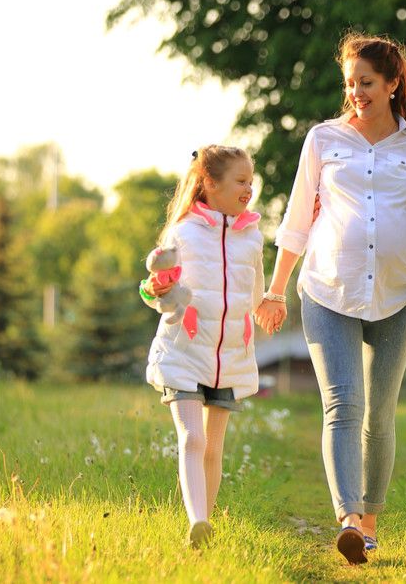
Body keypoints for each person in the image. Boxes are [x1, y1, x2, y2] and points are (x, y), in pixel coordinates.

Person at [255, 33, 406, 565]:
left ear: (392, 84)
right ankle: (349, 522)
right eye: (350, 84)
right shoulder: (323, 139)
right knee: (343, 404)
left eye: (366, 83)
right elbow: (295, 222)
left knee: (378, 413)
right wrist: (274, 290)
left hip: (400, 295)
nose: (356, 93)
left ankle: (372, 520)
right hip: (327, 290)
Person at [141, 144, 265, 548]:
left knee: (214, 446)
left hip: (229, 355)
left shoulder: (252, 236)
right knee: (192, 438)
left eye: (251, 180)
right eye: (240, 181)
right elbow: (158, 291)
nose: (249, 188)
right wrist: (161, 288)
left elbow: (256, 293)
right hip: (185, 350)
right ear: (211, 184)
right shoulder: (183, 233)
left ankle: (204, 527)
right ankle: (196, 521)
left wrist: (268, 309)